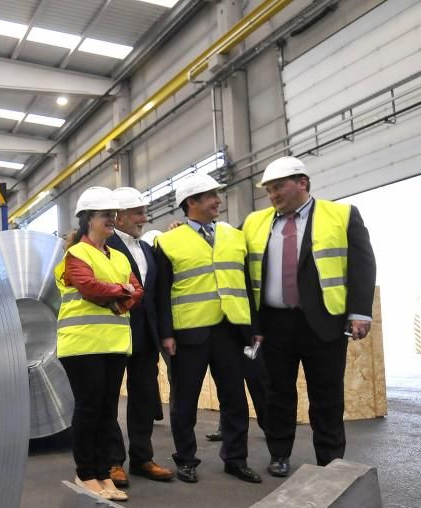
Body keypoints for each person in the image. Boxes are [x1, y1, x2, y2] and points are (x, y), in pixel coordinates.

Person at [242, 156, 376, 476]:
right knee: (277, 393)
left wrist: (360, 312)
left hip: (324, 321)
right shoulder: (253, 222)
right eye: (269, 190)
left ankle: (330, 460)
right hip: (274, 324)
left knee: (326, 394)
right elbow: (223, 246)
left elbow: (362, 264)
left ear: (302, 183)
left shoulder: (341, 215)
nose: (273, 195)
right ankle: (279, 454)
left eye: (279, 187)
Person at [154, 173, 262, 484]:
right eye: (211, 196)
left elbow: (244, 282)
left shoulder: (233, 235)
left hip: (231, 330)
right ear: (191, 203)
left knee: (234, 399)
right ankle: (186, 459)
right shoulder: (168, 241)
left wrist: (253, 326)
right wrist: (167, 334)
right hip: (190, 331)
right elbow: (162, 293)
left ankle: (235, 458)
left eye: (217, 194)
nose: (218, 200)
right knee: (185, 401)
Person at [55, 186, 143, 502]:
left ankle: (104, 473)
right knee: (89, 408)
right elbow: (89, 287)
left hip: (113, 344)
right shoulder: (76, 254)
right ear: (88, 219)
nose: (112, 219)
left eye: (113, 215)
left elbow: (137, 290)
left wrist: (121, 297)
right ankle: (85, 473)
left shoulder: (118, 256)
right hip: (82, 346)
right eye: (106, 214)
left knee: (107, 411)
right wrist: (121, 291)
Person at [107, 187, 174, 486]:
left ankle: (142, 457)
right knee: (109, 399)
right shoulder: (103, 246)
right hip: (113, 334)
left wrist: (165, 334)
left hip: (146, 337)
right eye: (138, 213)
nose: (144, 218)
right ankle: (112, 461)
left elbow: (160, 296)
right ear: (118, 216)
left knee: (144, 396)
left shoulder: (147, 250)